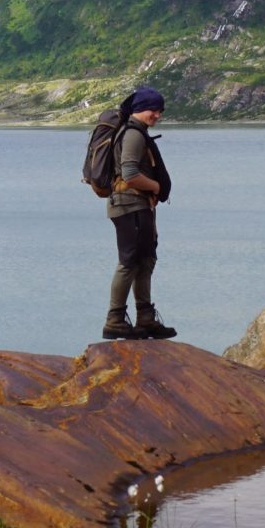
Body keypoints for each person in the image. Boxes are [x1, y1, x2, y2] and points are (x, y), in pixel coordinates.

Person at [102, 87, 175, 341]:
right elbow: (130, 174)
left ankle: (145, 318)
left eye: (160, 110)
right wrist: (155, 187)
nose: (157, 115)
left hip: (139, 207)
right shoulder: (133, 134)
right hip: (129, 206)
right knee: (130, 261)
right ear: (138, 109)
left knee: (145, 259)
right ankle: (115, 320)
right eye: (152, 109)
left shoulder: (138, 132)